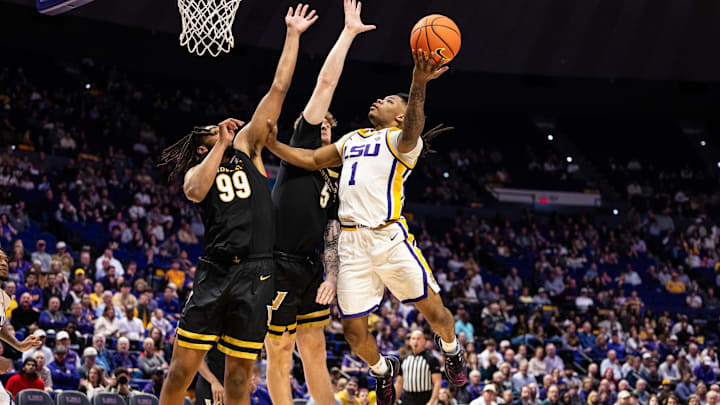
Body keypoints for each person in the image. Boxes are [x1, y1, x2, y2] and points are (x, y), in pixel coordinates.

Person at [265, 29, 462, 405]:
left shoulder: (403, 141)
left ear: (400, 115)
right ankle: (383, 371)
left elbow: (415, 124)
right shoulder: (353, 138)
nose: (378, 100)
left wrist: (418, 81)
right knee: (355, 337)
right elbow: (309, 159)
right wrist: (273, 143)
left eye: (388, 100)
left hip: (389, 238)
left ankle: (452, 349)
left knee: (435, 312)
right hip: (352, 244)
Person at [156, 6, 318, 405]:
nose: (222, 128)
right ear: (201, 146)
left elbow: (278, 89)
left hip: (258, 272)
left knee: (240, 379)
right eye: (213, 131)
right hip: (216, 271)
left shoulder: (249, 147)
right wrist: (221, 146)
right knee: (180, 372)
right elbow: (195, 191)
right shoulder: (201, 167)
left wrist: (293, 34)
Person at [265, 3, 374, 405]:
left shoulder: (339, 175)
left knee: (314, 348)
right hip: (275, 260)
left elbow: (333, 231)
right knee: (278, 350)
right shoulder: (302, 147)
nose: (324, 129)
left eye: (329, 126)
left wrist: (331, 276)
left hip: (311, 265)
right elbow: (325, 83)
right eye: (319, 125)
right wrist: (347, 33)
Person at [0, 249, 44, 404]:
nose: (4, 263)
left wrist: (17, 344)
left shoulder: (4, 298)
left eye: (5, 260)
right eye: (0, 259)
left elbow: (0, 326)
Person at [394, 331, 442, 405]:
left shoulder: (431, 359)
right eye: (413, 339)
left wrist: (432, 401)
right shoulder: (403, 360)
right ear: (410, 342)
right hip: (407, 398)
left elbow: (437, 382)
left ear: (424, 341)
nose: (415, 341)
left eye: (418, 339)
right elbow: (399, 383)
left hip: (424, 398)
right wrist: (395, 399)